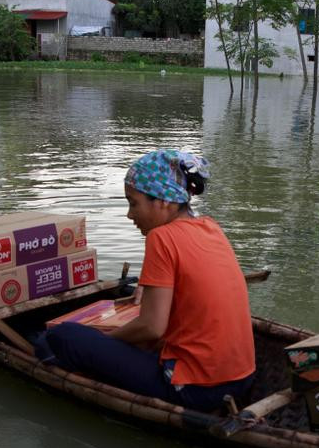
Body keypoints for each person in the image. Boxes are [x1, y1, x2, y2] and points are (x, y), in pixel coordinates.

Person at [37, 149, 256, 413]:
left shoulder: (161, 237)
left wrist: (108, 341)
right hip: (243, 379)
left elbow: (153, 329)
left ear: (162, 201)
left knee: (62, 335)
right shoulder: (211, 228)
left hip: (197, 389)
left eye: (133, 203)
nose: (130, 215)